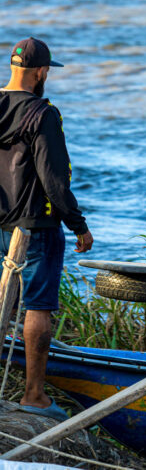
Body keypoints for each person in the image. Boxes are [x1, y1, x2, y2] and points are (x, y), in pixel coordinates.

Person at [0, 37, 93, 420]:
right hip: (34, 225)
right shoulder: (43, 113)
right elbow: (54, 180)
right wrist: (79, 225)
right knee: (38, 307)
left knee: (2, 300)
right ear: (40, 72)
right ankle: (34, 397)